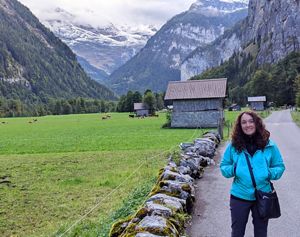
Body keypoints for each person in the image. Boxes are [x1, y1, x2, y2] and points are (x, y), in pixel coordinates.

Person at [220, 111, 285, 237]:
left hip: (263, 195)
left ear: (257, 123)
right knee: (237, 233)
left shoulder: (269, 145)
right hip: (239, 196)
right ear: (240, 125)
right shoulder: (233, 146)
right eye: (243, 122)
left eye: (251, 121)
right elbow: (224, 166)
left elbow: (279, 166)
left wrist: (268, 172)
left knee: (261, 233)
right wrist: (234, 169)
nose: (247, 125)